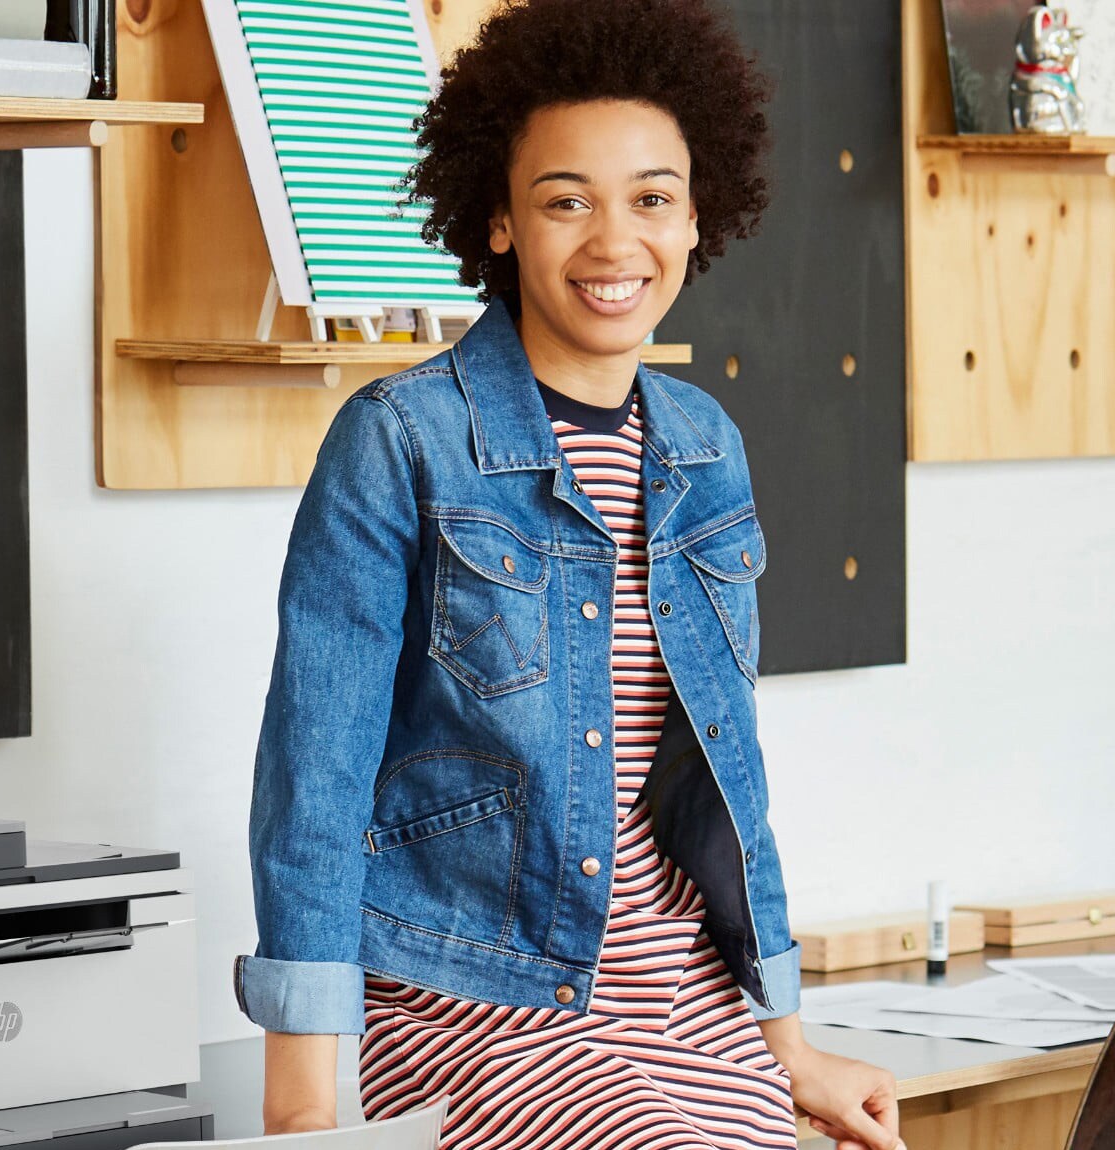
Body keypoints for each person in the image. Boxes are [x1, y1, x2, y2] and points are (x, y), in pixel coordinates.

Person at [236, 2, 902, 1146]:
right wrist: (303, 1103)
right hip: (480, 1005)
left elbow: (723, 776)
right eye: (564, 200)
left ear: (698, 218)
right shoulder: (399, 441)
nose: (613, 243)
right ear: (496, 218)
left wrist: (786, 1042)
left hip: (687, 1011)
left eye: (650, 198)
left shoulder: (703, 445)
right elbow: (316, 774)